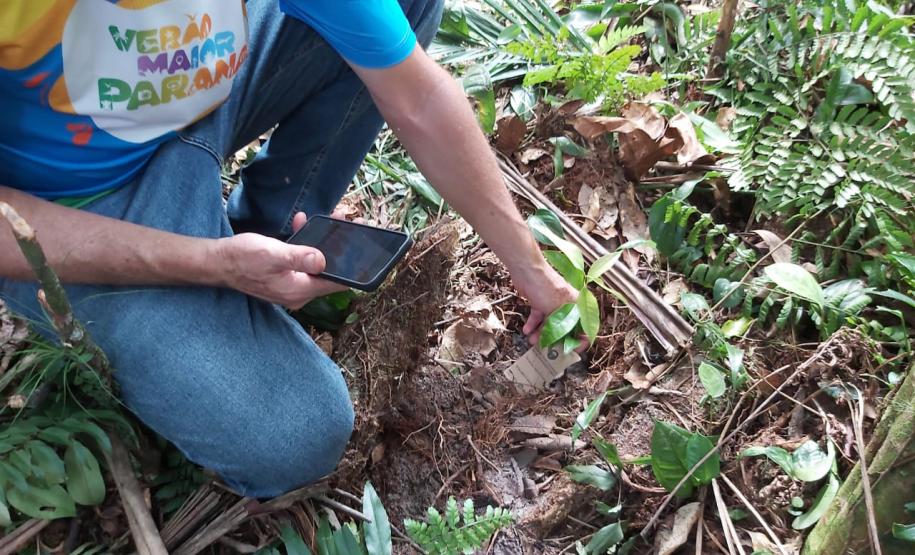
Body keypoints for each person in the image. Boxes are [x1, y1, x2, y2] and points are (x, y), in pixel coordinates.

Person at [0, 0, 576, 497]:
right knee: (291, 434)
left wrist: (530, 268)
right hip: (80, 204)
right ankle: (230, 278)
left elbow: (418, 97)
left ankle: (268, 233)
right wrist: (210, 264)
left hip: (199, 88)